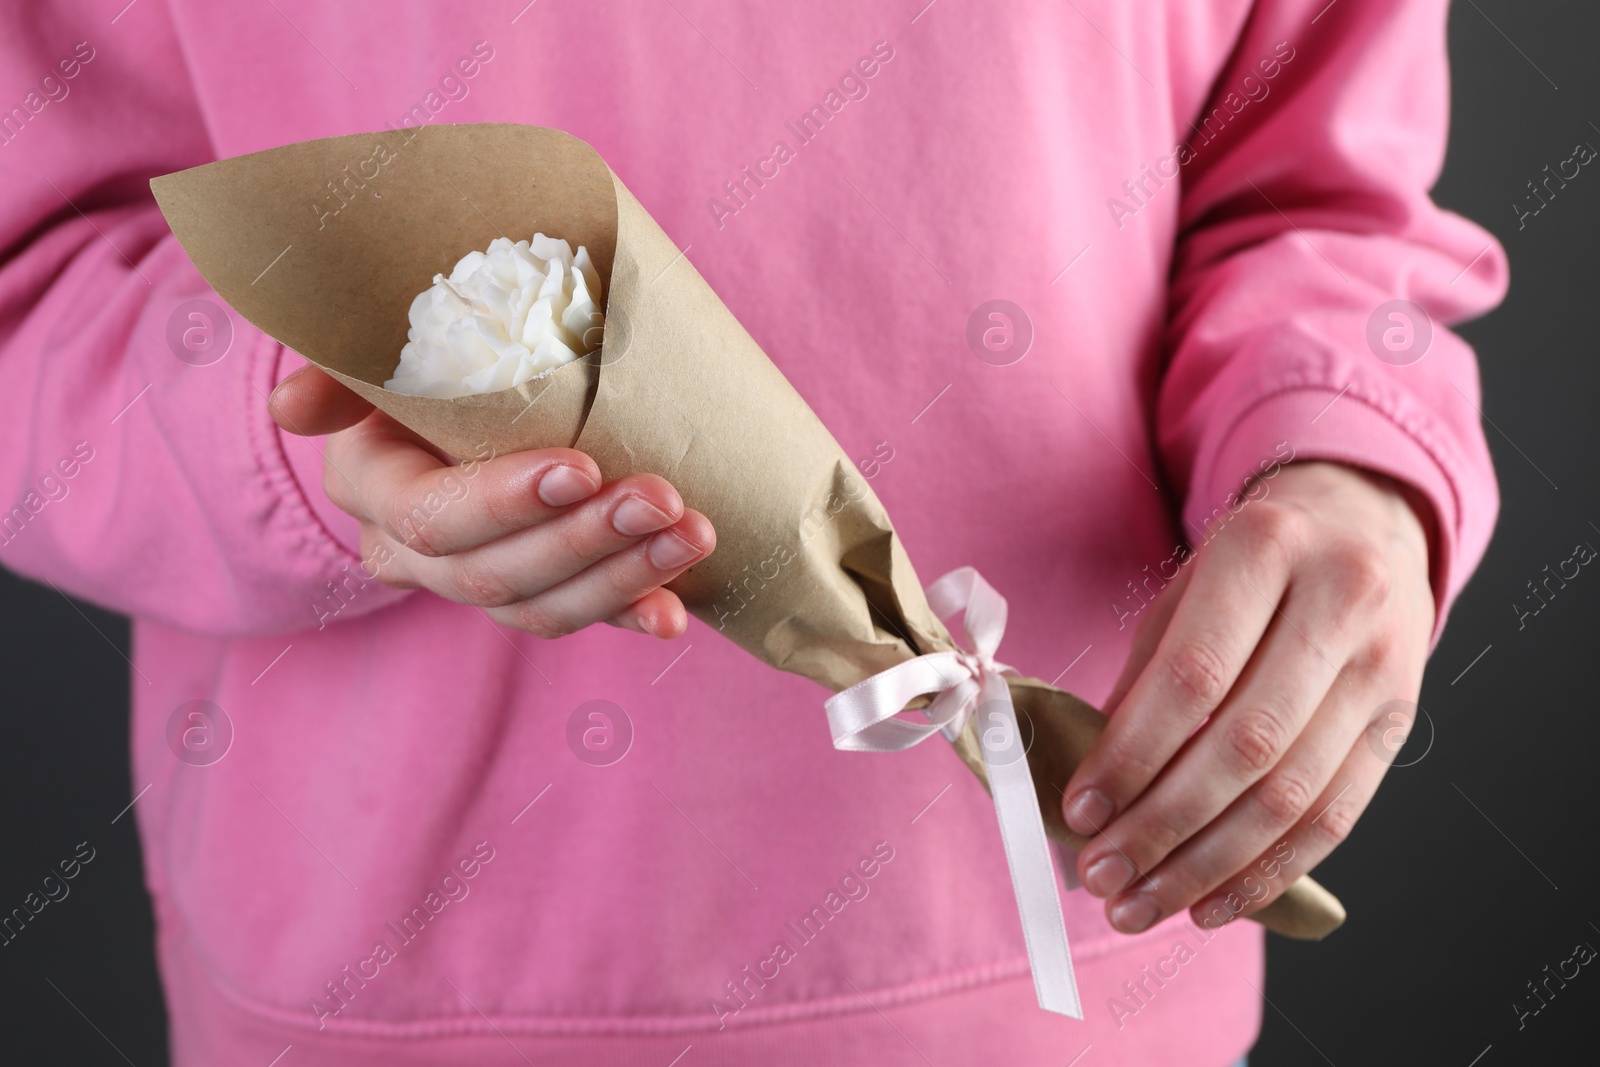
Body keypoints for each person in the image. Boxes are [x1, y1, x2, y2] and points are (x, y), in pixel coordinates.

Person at [0, 1, 1504, 1063]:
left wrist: (1347, 455)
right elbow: (29, 281)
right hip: (397, 976)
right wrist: (314, 434)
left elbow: (1312, 195)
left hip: (1064, 946)